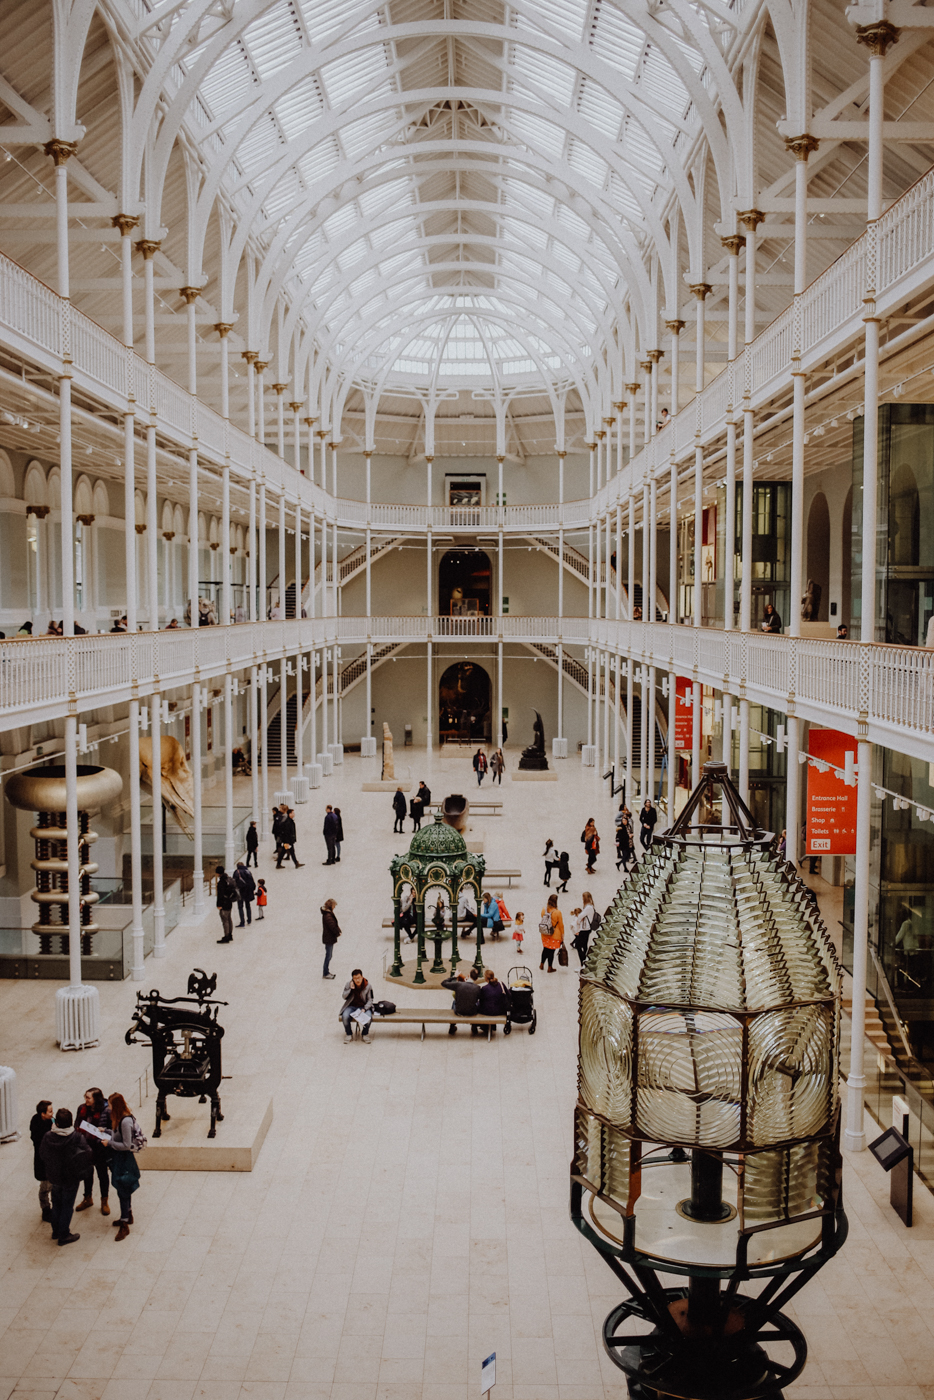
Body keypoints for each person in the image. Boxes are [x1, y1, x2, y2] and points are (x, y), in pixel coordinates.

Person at [40, 1107, 92, 1246]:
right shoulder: (76, 1137)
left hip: (54, 1177)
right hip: (70, 1177)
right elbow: (87, 1153)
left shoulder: (48, 1136)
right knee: (67, 1206)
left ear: (56, 1122)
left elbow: (42, 1154)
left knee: (56, 1203)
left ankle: (56, 1231)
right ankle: (64, 1235)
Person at [107, 1092, 141, 1241]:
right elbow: (117, 1135)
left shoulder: (125, 1121)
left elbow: (126, 1145)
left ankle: (125, 1223)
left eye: (110, 1105)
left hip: (124, 1159)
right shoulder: (119, 1119)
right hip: (119, 1158)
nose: (108, 1108)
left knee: (123, 1188)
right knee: (124, 1188)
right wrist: (106, 1131)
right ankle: (127, 1214)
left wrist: (109, 1143)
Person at [74, 1087, 111, 1217]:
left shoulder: (106, 1111)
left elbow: (112, 1129)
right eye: (85, 1097)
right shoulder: (82, 1108)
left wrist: (103, 1131)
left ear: (96, 1099)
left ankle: (104, 1200)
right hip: (86, 1147)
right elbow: (77, 1124)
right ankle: (87, 1198)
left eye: (88, 1098)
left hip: (100, 1148)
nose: (86, 1100)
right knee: (87, 1173)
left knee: (102, 1174)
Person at [29, 1099, 53, 1223]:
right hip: (43, 1162)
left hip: (51, 1162)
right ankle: (45, 1209)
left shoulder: (50, 1121)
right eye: (50, 1111)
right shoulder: (37, 1125)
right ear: (42, 1114)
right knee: (45, 1187)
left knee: (52, 1185)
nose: (52, 1114)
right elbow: (40, 1142)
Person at [441, 966, 482, 1035]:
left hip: (459, 1011)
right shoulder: (477, 988)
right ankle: (474, 1026)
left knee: (454, 1002)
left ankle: (452, 1026)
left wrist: (454, 976)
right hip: (471, 1012)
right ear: (477, 978)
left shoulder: (459, 985)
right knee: (477, 1003)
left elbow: (443, 983)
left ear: (468, 975)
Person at [341, 969, 374, 1043]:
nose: (357, 980)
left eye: (359, 978)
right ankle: (349, 1034)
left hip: (363, 1006)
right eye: (355, 978)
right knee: (345, 1016)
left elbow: (370, 1000)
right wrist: (350, 989)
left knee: (368, 1018)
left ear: (362, 977)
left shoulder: (368, 986)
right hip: (351, 1006)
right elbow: (344, 997)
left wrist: (365, 1009)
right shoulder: (348, 984)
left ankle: (365, 1034)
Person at [477, 968, 510, 1036]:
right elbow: (509, 995)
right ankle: (492, 1026)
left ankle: (483, 1026)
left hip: (488, 1012)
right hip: (500, 1011)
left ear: (486, 978)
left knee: (481, 1005)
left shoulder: (484, 988)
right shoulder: (501, 984)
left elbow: (481, 1001)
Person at [539, 893, 564, 972]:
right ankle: (550, 967)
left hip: (544, 933)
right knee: (551, 951)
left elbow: (542, 917)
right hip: (554, 935)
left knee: (545, 949)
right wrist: (562, 936)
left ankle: (541, 964)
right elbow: (561, 925)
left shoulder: (544, 909)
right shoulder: (557, 912)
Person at [574, 892, 598, 967]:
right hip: (588, 928)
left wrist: (578, 920)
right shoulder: (591, 906)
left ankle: (583, 961)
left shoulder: (588, 908)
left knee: (577, 945)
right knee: (584, 945)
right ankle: (585, 961)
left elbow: (580, 916)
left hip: (585, 929)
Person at [321, 897, 341, 979]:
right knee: (328, 956)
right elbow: (332, 926)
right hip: (329, 938)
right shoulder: (328, 915)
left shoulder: (327, 913)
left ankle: (326, 972)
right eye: (334, 906)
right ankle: (325, 973)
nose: (334, 907)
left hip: (328, 938)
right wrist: (337, 933)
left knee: (329, 955)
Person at [215, 865, 235, 942]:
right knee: (229, 919)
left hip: (224, 903)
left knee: (225, 920)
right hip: (229, 902)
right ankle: (230, 934)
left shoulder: (221, 883)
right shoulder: (228, 879)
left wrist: (219, 905)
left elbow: (220, 895)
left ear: (218, 873)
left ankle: (226, 936)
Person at [233, 861, 255, 926]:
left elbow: (234, 882)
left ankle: (242, 922)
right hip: (248, 891)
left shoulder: (236, 872)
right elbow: (252, 881)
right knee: (248, 905)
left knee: (240, 907)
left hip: (240, 891)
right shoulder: (248, 871)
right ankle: (249, 920)